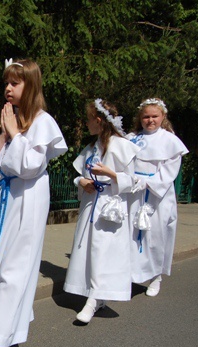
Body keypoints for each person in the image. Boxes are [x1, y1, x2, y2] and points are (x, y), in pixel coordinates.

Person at [0, 58, 67, 347]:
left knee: (16, 265)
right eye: (6, 82)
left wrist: (16, 135)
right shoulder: (6, 118)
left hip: (28, 196)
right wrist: (4, 134)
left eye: (15, 82)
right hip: (5, 196)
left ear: (31, 85)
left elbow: (29, 167)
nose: (8, 88)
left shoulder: (43, 121)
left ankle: (0, 343)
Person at [63, 99, 140, 324]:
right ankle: (94, 294)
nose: (86, 124)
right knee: (88, 249)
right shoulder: (91, 147)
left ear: (98, 120)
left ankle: (94, 299)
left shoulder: (121, 146)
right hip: (91, 203)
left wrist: (112, 173)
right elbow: (79, 174)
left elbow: (134, 182)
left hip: (109, 206)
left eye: (88, 119)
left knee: (102, 251)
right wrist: (82, 182)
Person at [126, 98, 189, 296]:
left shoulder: (170, 141)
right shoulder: (131, 138)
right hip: (133, 193)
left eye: (154, 116)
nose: (150, 120)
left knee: (156, 235)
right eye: (146, 116)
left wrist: (147, 182)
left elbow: (169, 173)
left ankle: (156, 276)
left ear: (163, 117)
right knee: (131, 234)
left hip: (157, 196)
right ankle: (131, 273)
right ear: (140, 118)